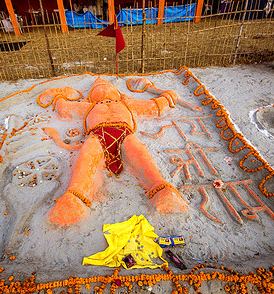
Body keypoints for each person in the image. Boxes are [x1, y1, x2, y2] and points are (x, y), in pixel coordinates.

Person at [39, 77, 189, 226]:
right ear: (91, 96)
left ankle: (160, 189)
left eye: (108, 88)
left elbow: (155, 107)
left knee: (140, 155)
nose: (104, 90)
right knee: (87, 159)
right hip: (97, 136)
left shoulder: (127, 104)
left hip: (124, 134)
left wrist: (168, 96)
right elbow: (64, 109)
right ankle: (75, 197)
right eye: (98, 90)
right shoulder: (89, 106)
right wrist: (59, 95)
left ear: (118, 93)